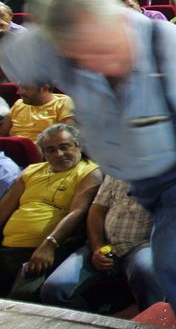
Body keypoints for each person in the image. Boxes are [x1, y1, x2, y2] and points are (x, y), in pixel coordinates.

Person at [1, 0, 176, 329]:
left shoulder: (171, 46)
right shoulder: (52, 45)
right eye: (79, 57)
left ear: (117, 18)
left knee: (172, 259)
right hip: (137, 179)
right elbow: (12, 52)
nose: (94, 64)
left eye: (101, 48)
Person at [0, 124, 103, 298]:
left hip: (47, 249)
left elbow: (77, 212)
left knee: (20, 300)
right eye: (51, 150)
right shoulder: (31, 171)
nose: (59, 154)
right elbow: (3, 209)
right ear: (44, 153)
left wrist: (49, 244)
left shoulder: (89, 172)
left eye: (64, 147)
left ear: (79, 146)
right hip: (8, 248)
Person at [40, 172, 163, 312]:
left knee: (146, 271)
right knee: (54, 289)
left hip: (142, 245)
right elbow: (97, 210)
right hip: (103, 242)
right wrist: (97, 246)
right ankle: (91, 327)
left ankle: (151, 325)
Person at [0, 83, 75, 141]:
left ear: (44, 88)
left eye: (25, 88)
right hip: (12, 153)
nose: (19, 92)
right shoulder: (19, 103)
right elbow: (2, 135)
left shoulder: (63, 102)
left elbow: (66, 136)